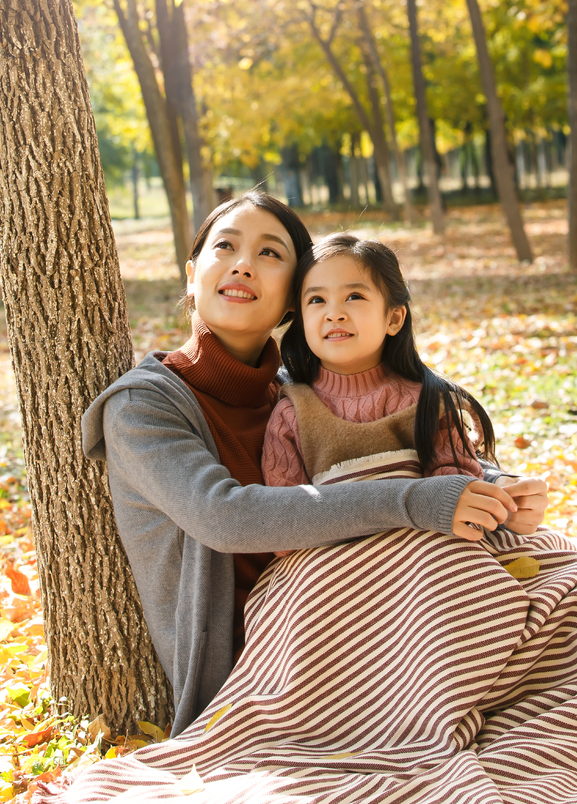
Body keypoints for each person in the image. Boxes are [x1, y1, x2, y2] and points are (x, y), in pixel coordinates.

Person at [54, 192, 571, 804]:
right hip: (272, 663)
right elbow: (225, 516)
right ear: (191, 279)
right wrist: (416, 501)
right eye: (225, 247)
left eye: (270, 254)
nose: (243, 264)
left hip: (396, 616)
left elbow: (398, 447)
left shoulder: (296, 392)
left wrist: (496, 488)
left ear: (291, 299)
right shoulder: (144, 405)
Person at [262, 233, 500, 524]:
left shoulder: (426, 400)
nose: (334, 313)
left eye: (354, 297)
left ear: (394, 319)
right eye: (317, 300)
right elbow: (285, 522)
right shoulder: (291, 414)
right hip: (334, 560)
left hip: (428, 550)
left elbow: (460, 495)